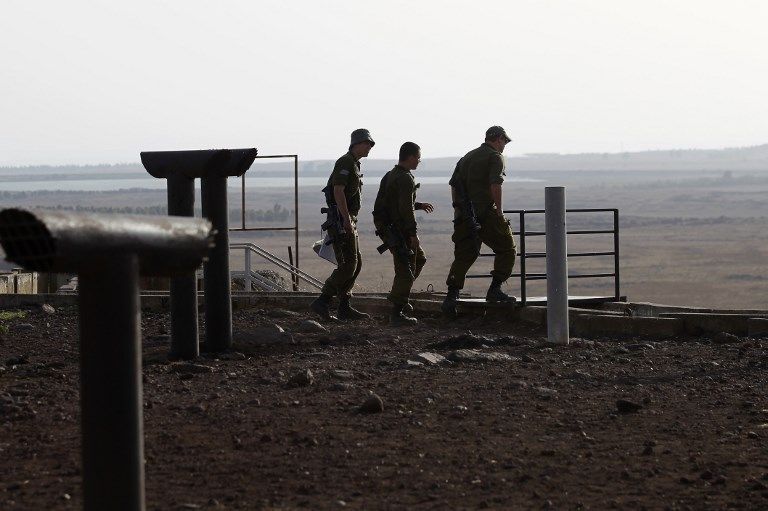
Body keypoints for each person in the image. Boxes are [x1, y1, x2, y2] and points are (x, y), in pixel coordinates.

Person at [441, 126, 516, 318]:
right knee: (507, 248)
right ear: (498, 139)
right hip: (485, 214)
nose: (504, 146)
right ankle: (495, 289)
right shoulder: (495, 157)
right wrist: (499, 212)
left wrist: (459, 210)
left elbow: (454, 185)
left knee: (464, 255)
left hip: (464, 215)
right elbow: (495, 184)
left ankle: (451, 297)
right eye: (504, 142)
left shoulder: (467, 157)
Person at [311, 128, 374, 321]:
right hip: (341, 219)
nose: (370, 148)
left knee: (356, 263)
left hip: (348, 219)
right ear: (356, 143)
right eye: (367, 144)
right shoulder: (345, 162)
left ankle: (344, 306)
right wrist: (346, 219)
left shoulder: (354, 164)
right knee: (348, 265)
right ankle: (323, 301)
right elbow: (338, 191)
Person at [372, 142, 434, 326]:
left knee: (418, 259)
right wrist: (412, 234)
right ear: (411, 157)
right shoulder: (405, 178)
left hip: (392, 227)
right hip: (398, 230)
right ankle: (397, 313)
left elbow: (395, 203)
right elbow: (405, 209)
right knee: (405, 270)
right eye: (418, 158)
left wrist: (419, 205)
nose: (419, 161)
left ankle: (400, 298)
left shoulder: (391, 175)